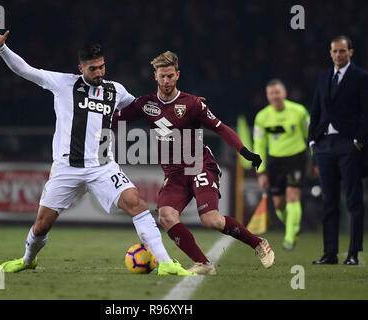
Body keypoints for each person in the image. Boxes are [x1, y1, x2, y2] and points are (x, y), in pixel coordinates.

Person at [0, 25, 195, 276]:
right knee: (41, 226)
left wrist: (178, 112)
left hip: (103, 167)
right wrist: (3, 49)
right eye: (93, 68)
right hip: (66, 168)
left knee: (136, 203)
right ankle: (28, 259)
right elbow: (25, 70)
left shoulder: (115, 90)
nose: (99, 72)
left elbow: (145, 109)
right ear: (81, 68)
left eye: (102, 67)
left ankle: (165, 262)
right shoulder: (63, 84)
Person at [112, 51, 275, 275]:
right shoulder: (145, 104)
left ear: (178, 75)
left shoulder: (193, 104)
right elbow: (115, 120)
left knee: (211, 220)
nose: (166, 81)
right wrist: (91, 116)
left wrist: (245, 152)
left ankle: (258, 243)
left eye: (170, 75)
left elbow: (221, 128)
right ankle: (204, 264)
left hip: (199, 165)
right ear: (155, 77)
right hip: (174, 174)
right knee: (166, 216)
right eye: (162, 76)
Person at [309, 35, 368, 266]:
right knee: (329, 202)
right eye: (335, 51)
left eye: (343, 51)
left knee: (353, 201)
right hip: (324, 145)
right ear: (330, 53)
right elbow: (315, 109)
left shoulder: (362, 77)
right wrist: (312, 141)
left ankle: (353, 253)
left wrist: (358, 141)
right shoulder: (324, 77)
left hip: (349, 145)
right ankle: (330, 254)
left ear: (351, 52)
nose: (339, 55)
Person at [253, 79, 310, 251]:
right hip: (275, 162)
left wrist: (315, 160)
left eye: (277, 92)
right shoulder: (262, 117)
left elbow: (312, 135)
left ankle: (289, 238)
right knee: (278, 205)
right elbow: (259, 144)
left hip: (296, 159)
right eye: (271, 93)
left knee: (293, 195)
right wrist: (261, 171)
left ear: (284, 93)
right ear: (267, 96)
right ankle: (293, 225)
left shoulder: (299, 111)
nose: (275, 96)